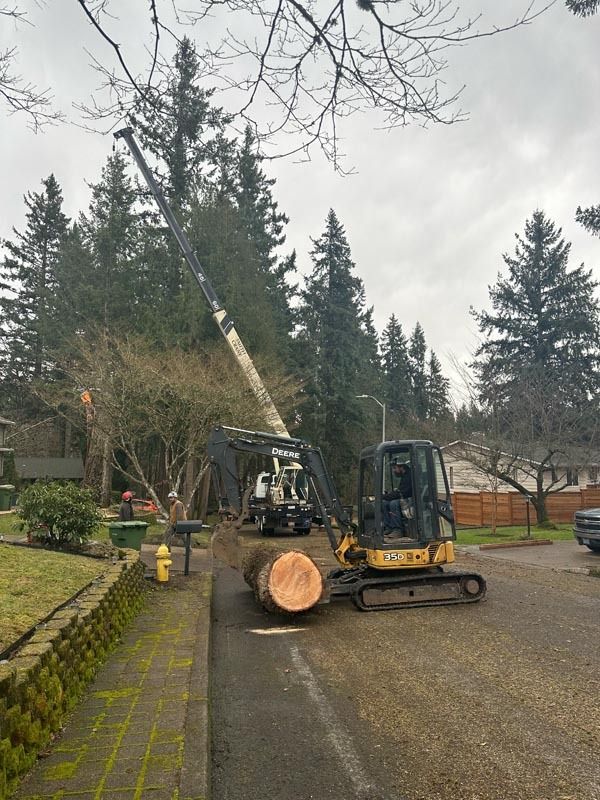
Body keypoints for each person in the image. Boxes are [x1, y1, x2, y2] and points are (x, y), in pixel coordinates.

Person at [382, 461, 412, 532]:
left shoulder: (409, 476)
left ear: (401, 467)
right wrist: (387, 496)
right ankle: (388, 527)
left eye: (395, 468)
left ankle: (397, 529)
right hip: (405, 497)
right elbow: (400, 491)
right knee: (384, 503)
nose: (393, 470)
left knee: (394, 503)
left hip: (411, 499)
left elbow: (401, 493)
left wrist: (385, 496)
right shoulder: (404, 476)